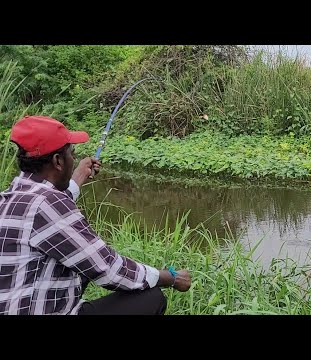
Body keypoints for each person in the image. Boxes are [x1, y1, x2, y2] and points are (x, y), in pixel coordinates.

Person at [0, 115, 191, 315]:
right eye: (71, 154)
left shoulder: (11, 198)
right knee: (151, 298)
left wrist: (78, 176)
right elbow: (109, 269)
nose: (73, 160)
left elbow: (46, 212)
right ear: (58, 161)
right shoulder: (47, 204)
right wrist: (171, 277)